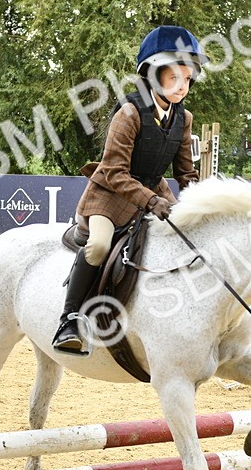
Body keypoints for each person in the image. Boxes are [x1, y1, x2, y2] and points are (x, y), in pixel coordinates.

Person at [51, 25, 207, 355]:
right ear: (152, 76)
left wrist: (200, 201)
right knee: (98, 246)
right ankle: (69, 320)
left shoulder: (184, 118)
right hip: (110, 196)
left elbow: (185, 172)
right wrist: (150, 200)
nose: (182, 86)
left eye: (188, 78)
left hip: (154, 192)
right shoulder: (129, 113)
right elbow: (114, 171)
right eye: (174, 77)